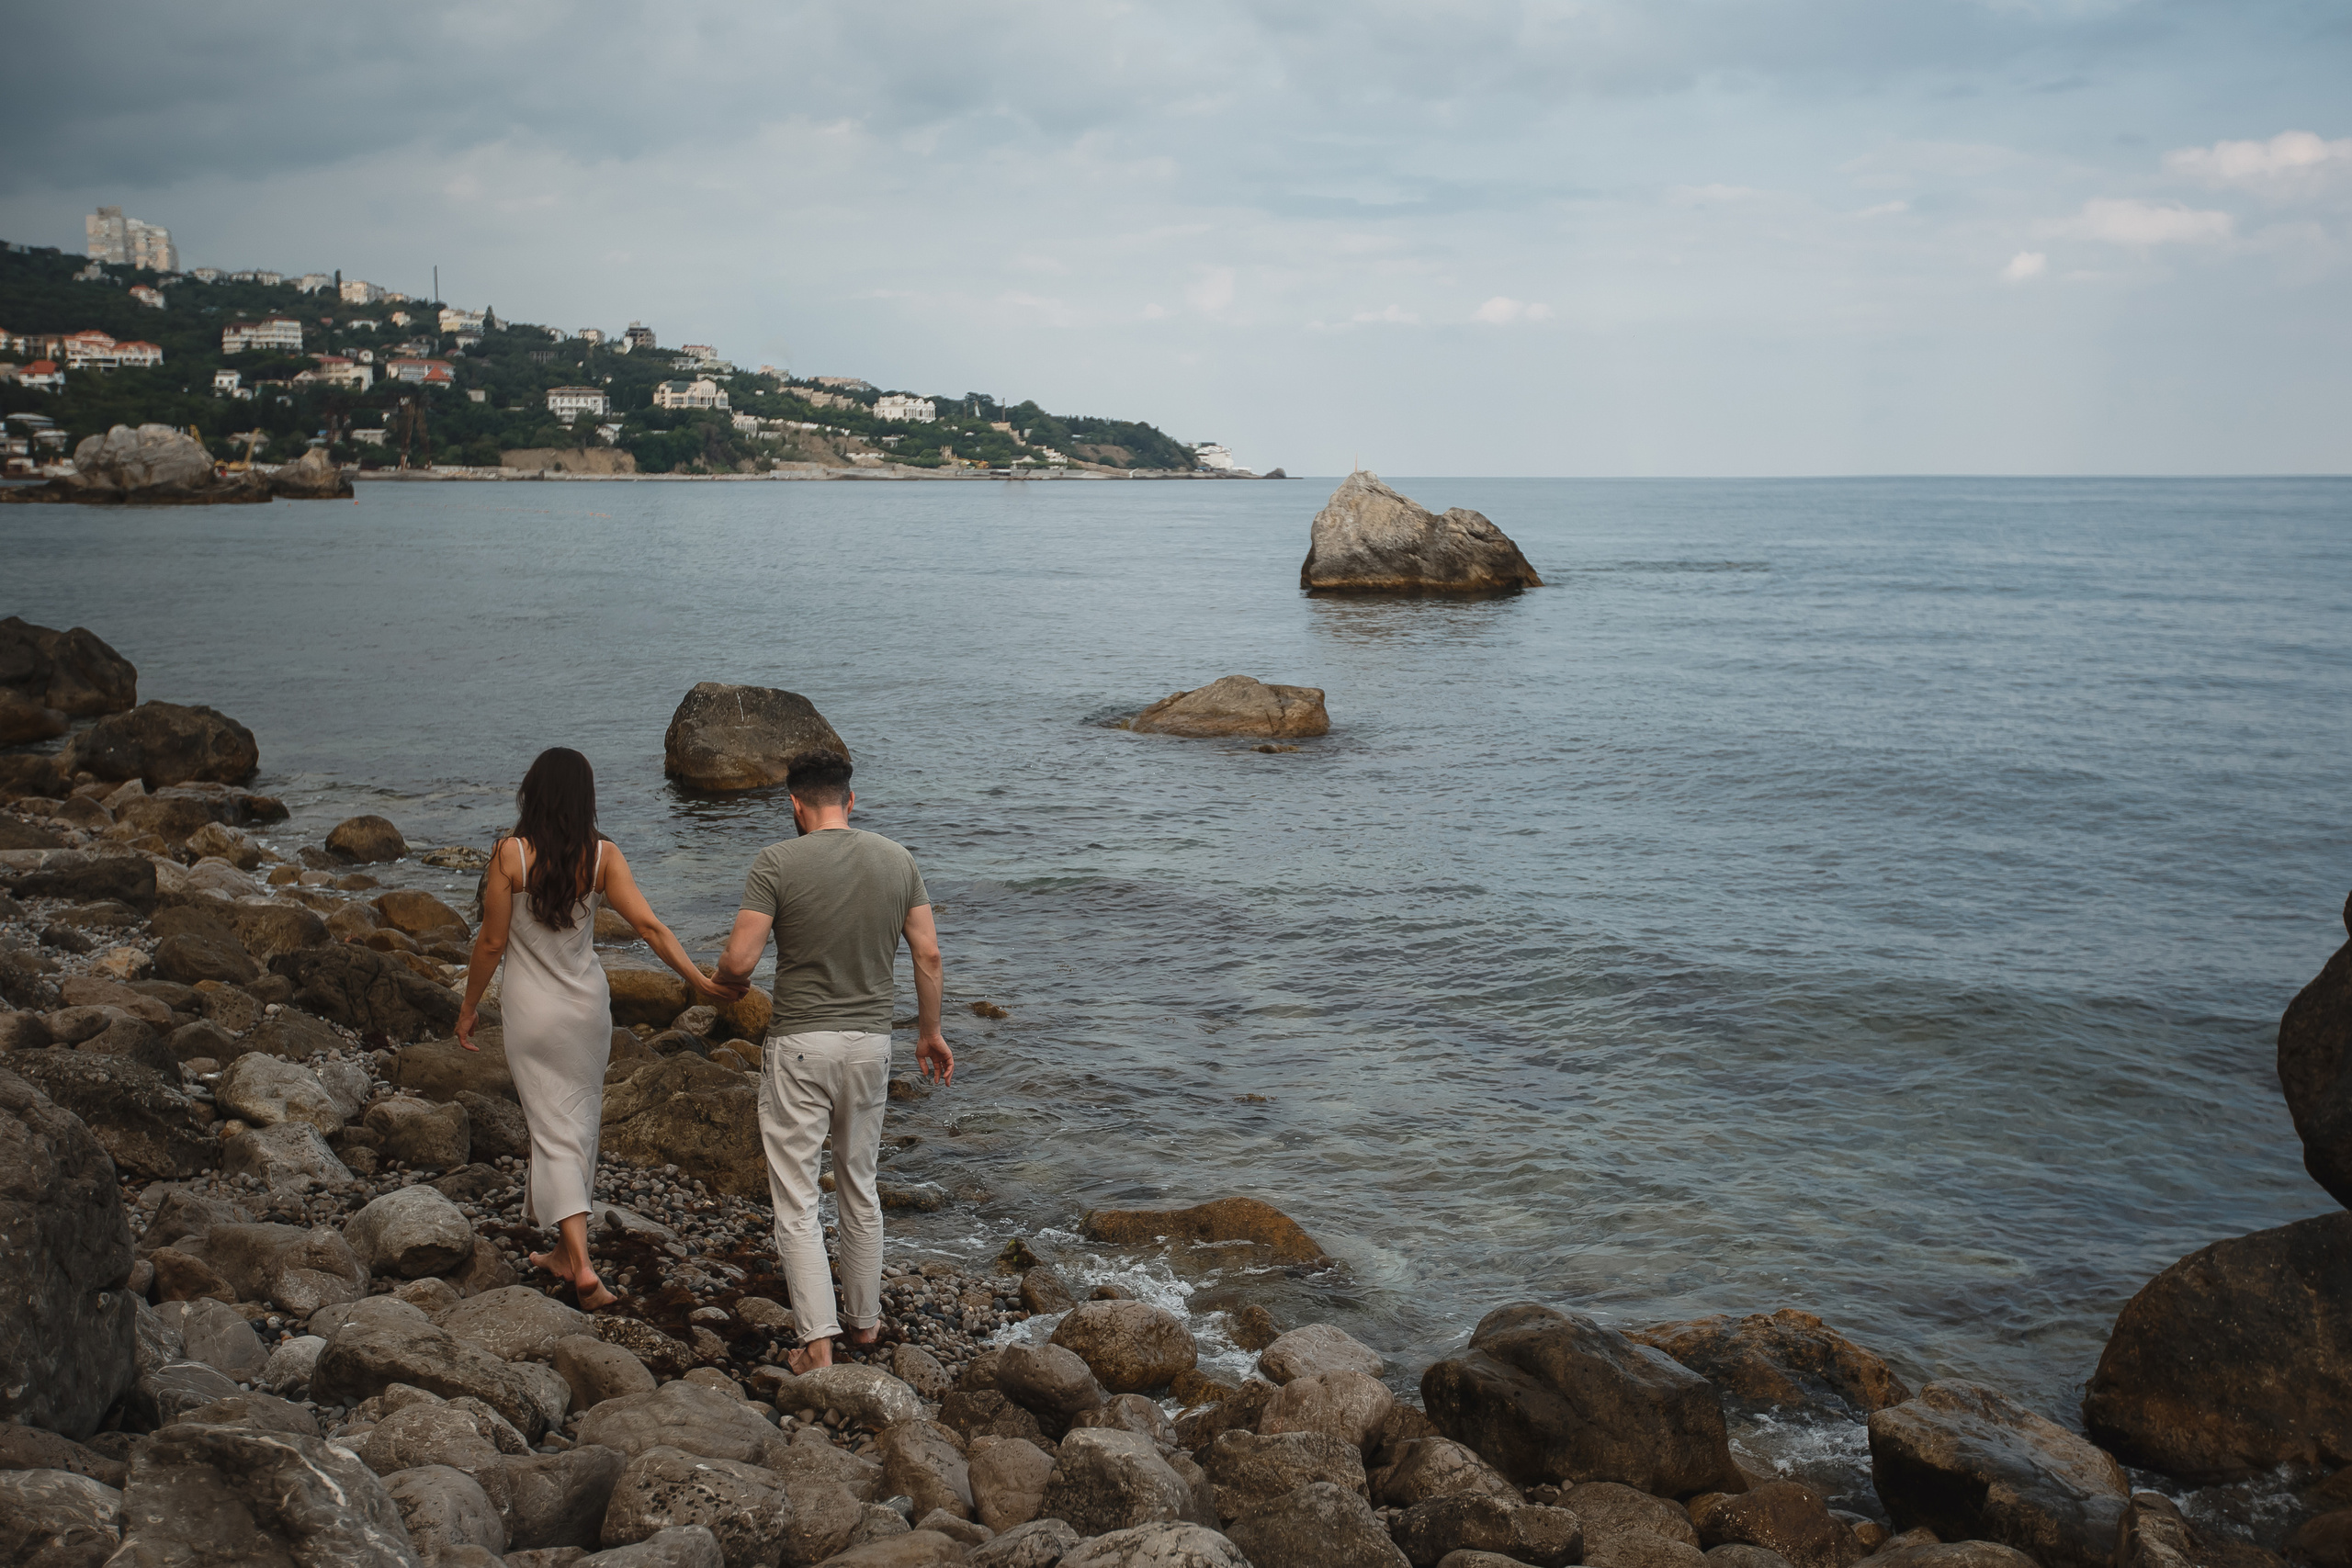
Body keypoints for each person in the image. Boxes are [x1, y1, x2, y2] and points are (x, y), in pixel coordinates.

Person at [458, 747, 732, 1310]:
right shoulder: (603, 856)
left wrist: (467, 1008)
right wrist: (698, 980)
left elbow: (490, 942)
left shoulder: (511, 855)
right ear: (585, 798)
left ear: (533, 792)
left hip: (532, 1013)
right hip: (587, 1010)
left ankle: (579, 1264)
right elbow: (650, 927)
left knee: (550, 1126)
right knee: (577, 1123)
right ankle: (567, 1253)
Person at [709, 749, 950, 1372]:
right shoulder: (898, 860)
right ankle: (866, 1324)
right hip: (870, 1044)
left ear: (794, 804)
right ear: (850, 800)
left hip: (801, 1044)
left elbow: (739, 962)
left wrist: (722, 981)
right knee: (859, 1183)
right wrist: (930, 1032)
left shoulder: (777, 861)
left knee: (796, 1195)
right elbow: (928, 955)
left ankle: (818, 1343)